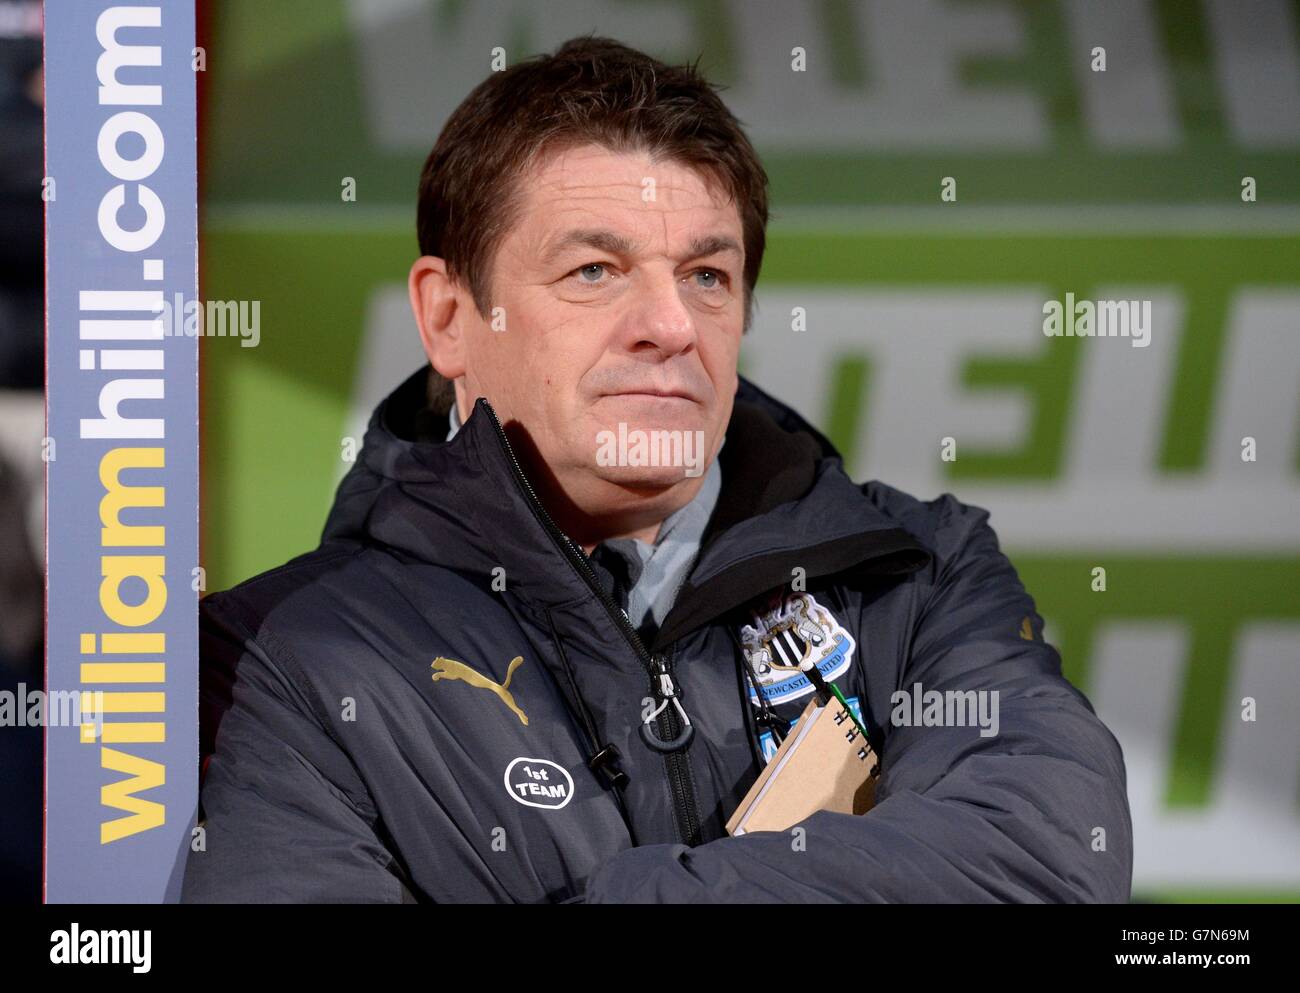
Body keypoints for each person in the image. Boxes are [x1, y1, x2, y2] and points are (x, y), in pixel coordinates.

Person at [182, 36, 1132, 903]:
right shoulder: (273, 655)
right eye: (595, 270)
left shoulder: (921, 573)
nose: (672, 325)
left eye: (707, 276)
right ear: (447, 318)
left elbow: (1045, 861)